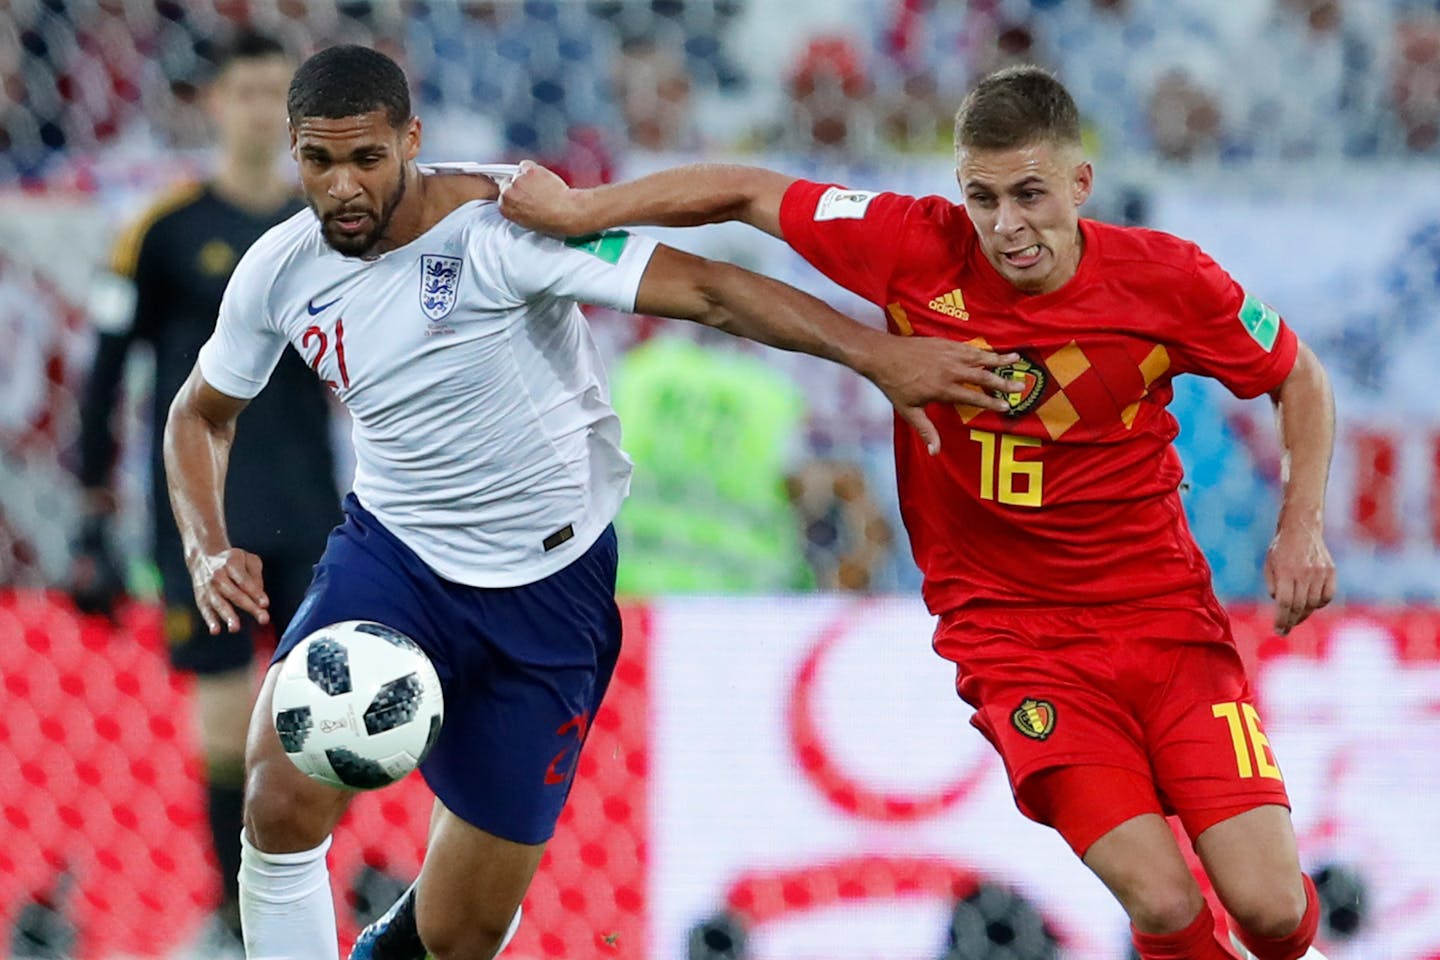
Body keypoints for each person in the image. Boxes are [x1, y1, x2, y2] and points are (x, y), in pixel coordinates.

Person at [160, 44, 1021, 960]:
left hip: (550, 589)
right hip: (394, 557)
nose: (341, 188)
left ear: (411, 141)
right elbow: (198, 413)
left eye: (366, 158)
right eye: (317, 161)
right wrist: (207, 544)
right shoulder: (278, 269)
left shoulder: (504, 225)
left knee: (461, 933)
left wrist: (877, 356)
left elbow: (711, 292)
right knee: (278, 800)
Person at [499, 65, 1338, 960]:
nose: (1007, 226)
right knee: (1163, 901)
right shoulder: (913, 245)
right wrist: (582, 212)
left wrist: (1300, 527)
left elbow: (1298, 378)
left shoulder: (1167, 280)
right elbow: (745, 190)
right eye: (982, 197)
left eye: (1029, 194)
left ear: (1079, 184)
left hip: (1166, 623)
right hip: (1016, 639)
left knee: (1273, 907)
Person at [68, 32, 338, 954]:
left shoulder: (328, 230)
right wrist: (91, 519)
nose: (264, 109)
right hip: (202, 519)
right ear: (215, 104)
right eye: (249, 91)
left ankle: (302, 907)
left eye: (279, 93)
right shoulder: (165, 228)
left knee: (319, 726)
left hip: (312, 514)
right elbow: (105, 379)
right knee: (225, 727)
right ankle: (235, 921)